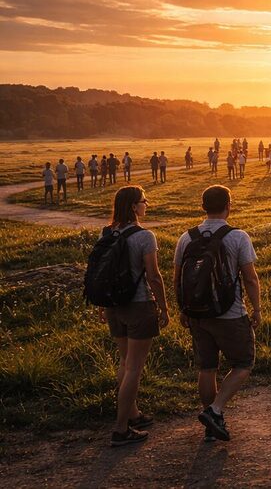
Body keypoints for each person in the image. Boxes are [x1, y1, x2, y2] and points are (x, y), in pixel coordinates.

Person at [173, 185, 260, 443]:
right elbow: (250, 278)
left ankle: (212, 425)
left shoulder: (185, 238)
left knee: (207, 367)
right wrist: (258, 308)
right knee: (244, 363)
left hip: (198, 314)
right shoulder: (237, 236)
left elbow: (177, 279)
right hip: (230, 314)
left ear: (203, 207)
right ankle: (215, 409)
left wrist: (183, 309)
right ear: (228, 205)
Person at [101, 185, 169, 446]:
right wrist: (163, 307)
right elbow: (153, 275)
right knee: (134, 368)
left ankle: (134, 414)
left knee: (124, 361)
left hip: (114, 305)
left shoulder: (106, 232)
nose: (146, 204)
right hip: (139, 304)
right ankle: (121, 428)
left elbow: (103, 271)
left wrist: (102, 304)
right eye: (143, 201)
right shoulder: (145, 236)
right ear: (133, 206)